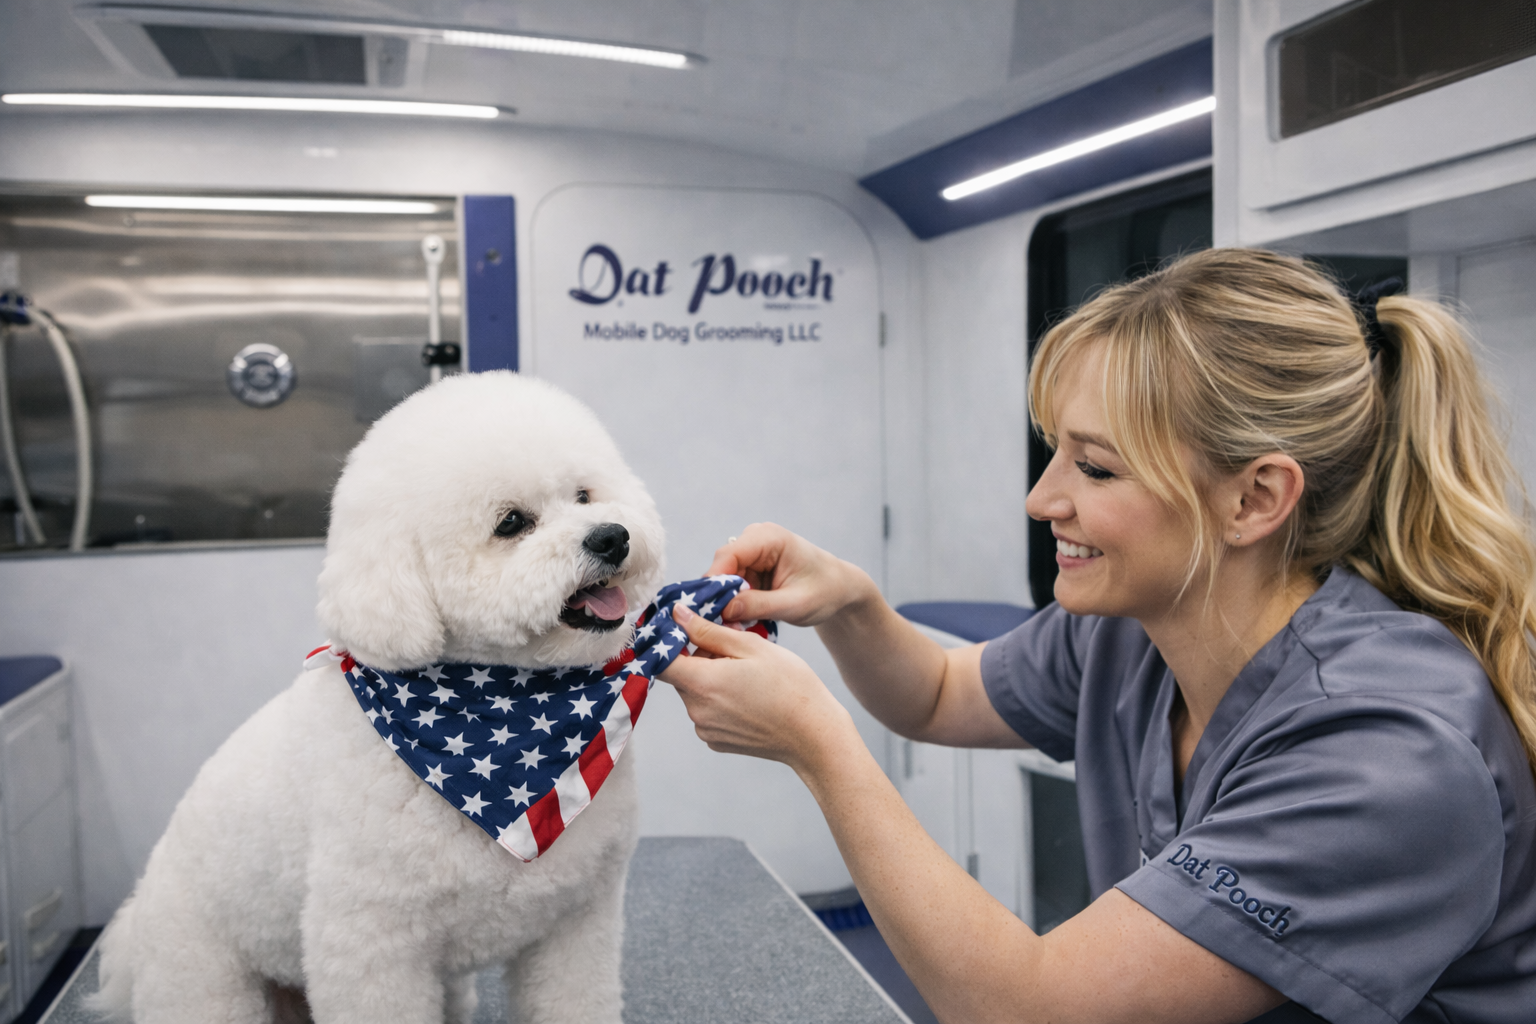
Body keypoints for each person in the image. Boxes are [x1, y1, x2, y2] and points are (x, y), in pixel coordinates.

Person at [659, 248, 1536, 1024]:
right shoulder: (1139, 630)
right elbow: (934, 692)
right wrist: (852, 607)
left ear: (1255, 499)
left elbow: (1034, 1009)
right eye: (1053, 454)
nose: (1043, 499)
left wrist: (819, 747)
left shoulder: (1386, 750)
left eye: (1096, 466)